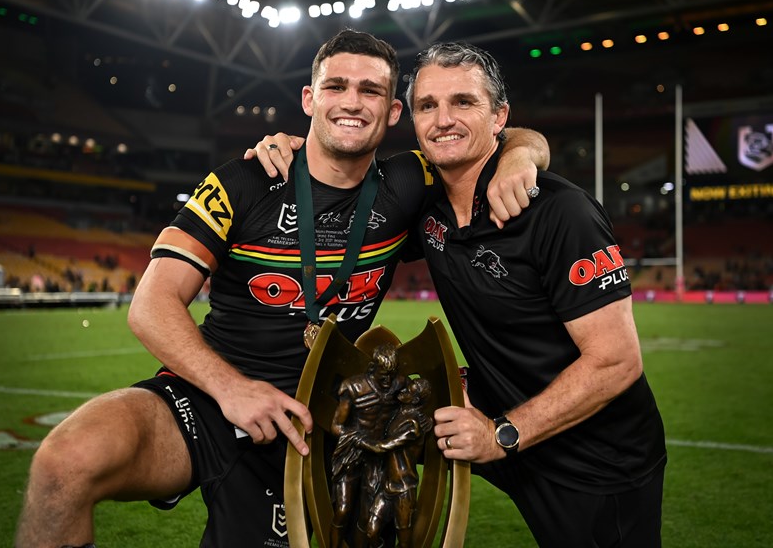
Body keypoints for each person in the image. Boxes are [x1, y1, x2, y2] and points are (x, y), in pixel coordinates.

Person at [14, 30, 549, 547]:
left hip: (324, 419)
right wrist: (232, 389)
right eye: (336, 86)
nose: (352, 102)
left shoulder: (411, 183)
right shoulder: (242, 181)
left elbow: (509, 138)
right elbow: (151, 304)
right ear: (309, 99)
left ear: (392, 112)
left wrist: (520, 156)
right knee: (65, 462)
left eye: (370, 91)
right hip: (211, 398)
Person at [254, 41, 667, 548]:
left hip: (593, 457)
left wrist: (502, 434)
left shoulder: (562, 213)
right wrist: (293, 148)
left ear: (499, 117)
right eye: (428, 105)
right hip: (491, 415)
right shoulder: (427, 207)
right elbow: (336, 176)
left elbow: (616, 361)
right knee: (371, 428)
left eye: (464, 102)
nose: (443, 119)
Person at [328, 343, 407, 548]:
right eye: (383, 376)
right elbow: (336, 426)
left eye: (391, 375)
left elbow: (412, 406)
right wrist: (362, 441)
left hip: (378, 458)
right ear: (372, 368)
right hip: (351, 454)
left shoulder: (400, 385)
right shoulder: (353, 388)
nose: (388, 381)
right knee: (343, 510)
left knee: (368, 514)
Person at [358, 377, 433, 548]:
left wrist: (359, 441)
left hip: (404, 489)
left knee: (404, 542)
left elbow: (384, 446)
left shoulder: (413, 425)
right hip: (388, 486)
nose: (403, 391)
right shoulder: (399, 413)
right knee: (371, 531)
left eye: (408, 391)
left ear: (415, 400)